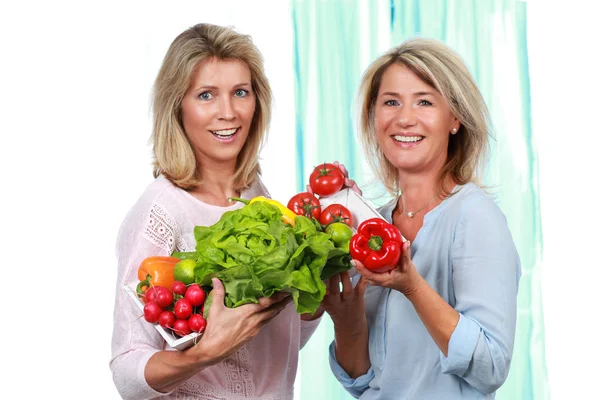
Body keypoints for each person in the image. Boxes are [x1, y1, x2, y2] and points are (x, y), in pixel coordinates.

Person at [110, 23, 330, 400]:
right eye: (207, 95)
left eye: (240, 92)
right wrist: (205, 353)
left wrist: (318, 286)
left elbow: (272, 349)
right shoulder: (160, 214)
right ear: (177, 105)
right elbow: (127, 371)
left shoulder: (257, 197)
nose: (228, 112)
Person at [321, 38, 521, 399]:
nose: (405, 118)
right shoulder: (370, 228)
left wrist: (413, 286)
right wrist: (345, 317)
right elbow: (362, 381)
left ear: (455, 118)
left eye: (425, 101)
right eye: (391, 102)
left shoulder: (475, 217)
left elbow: (491, 366)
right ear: (374, 117)